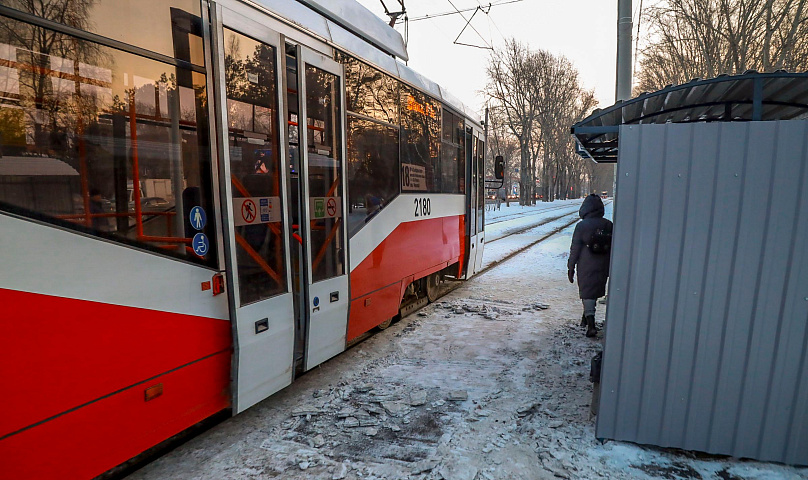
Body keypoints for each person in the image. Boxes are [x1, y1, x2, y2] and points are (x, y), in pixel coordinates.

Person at [567, 193, 612, 338]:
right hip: (603, 264)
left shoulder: (581, 226)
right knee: (594, 290)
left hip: (586, 263)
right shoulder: (608, 225)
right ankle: (585, 318)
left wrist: (571, 267)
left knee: (587, 293)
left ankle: (591, 325)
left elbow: (575, 248)